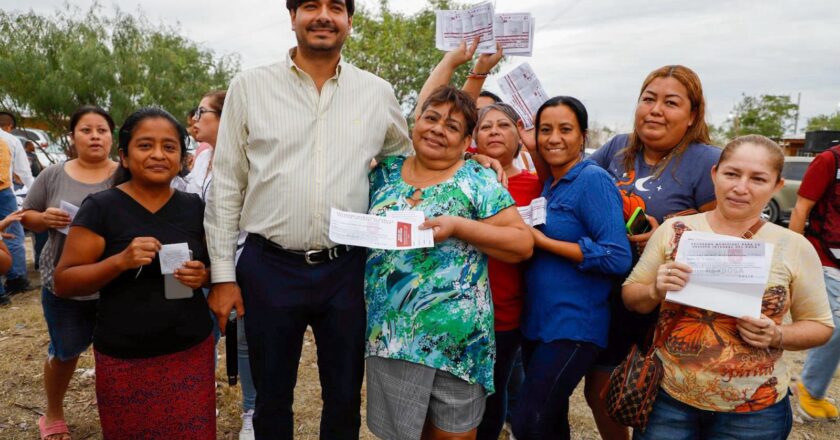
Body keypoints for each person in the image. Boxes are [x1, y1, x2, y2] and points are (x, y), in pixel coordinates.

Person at [203, 1, 412, 438]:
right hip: (269, 267)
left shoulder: (377, 92)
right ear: (293, 16)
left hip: (348, 269)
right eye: (311, 6)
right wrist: (223, 276)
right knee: (271, 395)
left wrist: (474, 163)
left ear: (349, 21)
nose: (324, 16)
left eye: (336, 7)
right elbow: (226, 184)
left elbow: (405, 161)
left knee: (343, 394)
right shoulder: (250, 86)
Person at [622, 135, 834, 439]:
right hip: (668, 401)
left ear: (776, 185)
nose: (740, 187)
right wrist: (655, 289)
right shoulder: (675, 231)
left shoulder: (794, 246)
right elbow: (631, 297)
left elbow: (821, 326)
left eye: (758, 179)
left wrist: (778, 334)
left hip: (754, 411)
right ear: (714, 175)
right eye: (731, 174)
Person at [364, 85, 533, 440]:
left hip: (458, 343)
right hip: (393, 339)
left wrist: (459, 226)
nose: (438, 129)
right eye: (431, 118)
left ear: (465, 140)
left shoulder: (477, 180)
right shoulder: (383, 173)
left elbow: (521, 244)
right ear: (416, 123)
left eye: (452, 126)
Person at [53, 107, 214, 439]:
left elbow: (214, 268)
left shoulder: (194, 207)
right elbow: (64, 280)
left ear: (182, 158)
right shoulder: (101, 208)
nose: (158, 154)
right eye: (145, 145)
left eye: (169, 147)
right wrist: (119, 261)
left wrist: (204, 275)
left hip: (190, 351)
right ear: (124, 156)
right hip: (125, 357)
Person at [585, 64, 721, 440]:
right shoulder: (616, 148)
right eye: (649, 99)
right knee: (601, 390)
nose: (656, 110)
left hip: (668, 299)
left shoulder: (707, 159)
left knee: (657, 396)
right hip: (609, 291)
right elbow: (575, 182)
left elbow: (729, 223)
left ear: (693, 115)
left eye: (671, 103)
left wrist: (672, 228)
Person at [511, 96, 632, 439]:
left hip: (574, 326)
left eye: (565, 129)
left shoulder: (592, 180)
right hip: (539, 324)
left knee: (528, 421)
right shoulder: (549, 183)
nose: (554, 138)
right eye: (546, 130)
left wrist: (542, 242)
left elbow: (616, 255)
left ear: (583, 136)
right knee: (549, 423)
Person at [21, 106, 118, 440]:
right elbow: (27, 215)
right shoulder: (53, 174)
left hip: (115, 284)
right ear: (73, 136)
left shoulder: (124, 175)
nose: (94, 136)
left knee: (116, 354)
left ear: (112, 136)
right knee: (65, 352)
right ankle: (53, 413)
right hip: (64, 283)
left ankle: (118, 415)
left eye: (102, 130)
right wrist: (43, 219)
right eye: (86, 130)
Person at [187, 89, 258, 440]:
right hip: (201, 262)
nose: (194, 119)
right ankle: (198, 404)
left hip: (238, 259)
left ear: (225, 116)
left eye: (201, 112)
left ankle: (251, 411)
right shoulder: (200, 159)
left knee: (243, 341)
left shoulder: (249, 158)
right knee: (201, 336)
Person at [789, 141, 840, 420]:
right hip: (826, 259)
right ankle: (811, 392)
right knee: (835, 326)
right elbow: (800, 210)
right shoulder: (828, 161)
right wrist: (795, 260)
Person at [0, 111, 35, 297]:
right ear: (9, 127)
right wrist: (37, 195)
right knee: (13, 236)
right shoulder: (10, 140)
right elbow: (24, 172)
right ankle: (16, 279)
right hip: (4, 193)